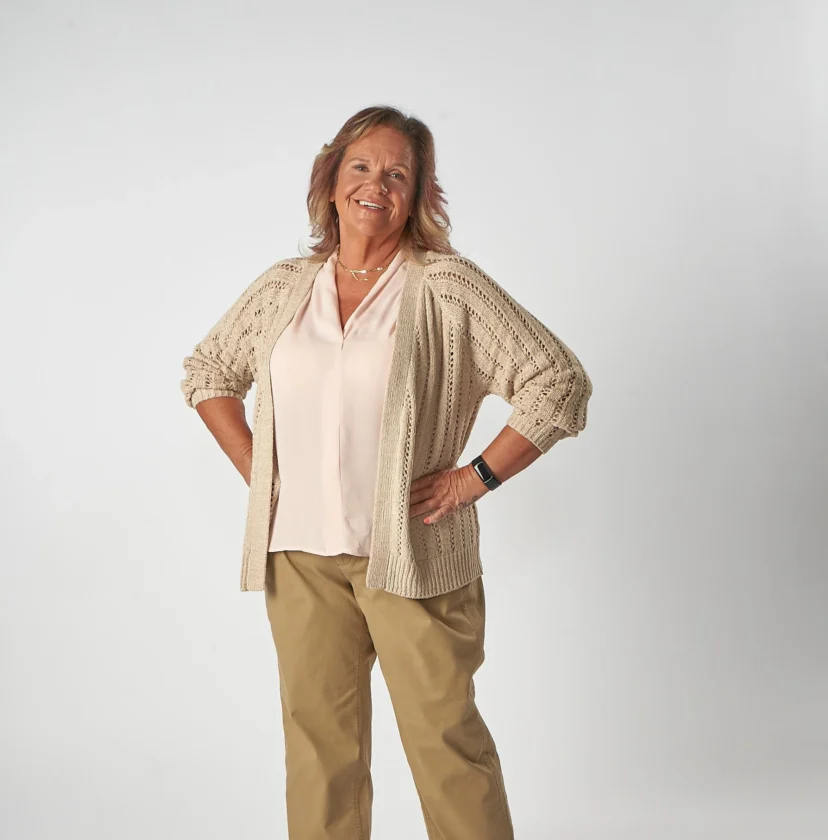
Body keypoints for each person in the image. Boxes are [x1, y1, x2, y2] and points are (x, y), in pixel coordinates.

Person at [181, 104, 593, 840]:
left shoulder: (445, 287)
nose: (377, 185)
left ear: (420, 193)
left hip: (414, 557)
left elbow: (557, 382)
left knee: (445, 749)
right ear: (332, 180)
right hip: (299, 557)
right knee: (319, 756)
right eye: (362, 167)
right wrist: (260, 472)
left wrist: (475, 479)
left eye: (398, 173)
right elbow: (209, 372)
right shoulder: (284, 286)